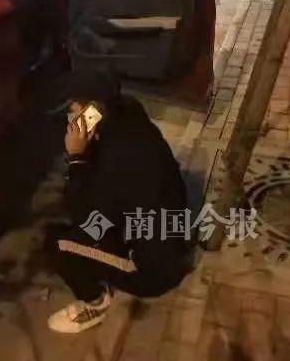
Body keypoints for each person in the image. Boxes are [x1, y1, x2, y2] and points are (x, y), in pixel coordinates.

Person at [47, 70, 192, 334]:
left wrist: (77, 158)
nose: (70, 117)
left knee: (58, 245)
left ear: (92, 111)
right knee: (87, 212)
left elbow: (87, 220)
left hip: (151, 269)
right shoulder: (128, 115)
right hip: (166, 231)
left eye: (73, 109)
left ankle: (95, 302)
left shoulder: (119, 160)